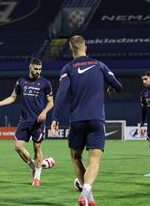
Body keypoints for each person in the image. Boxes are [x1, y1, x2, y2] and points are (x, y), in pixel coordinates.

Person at [50, 35, 123, 206]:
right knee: (94, 160)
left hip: (77, 120)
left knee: (76, 157)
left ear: (70, 50)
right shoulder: (99, 65)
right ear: (86, 47)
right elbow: (118, 86)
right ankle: (86, 193)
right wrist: (111, 88)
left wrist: (54, 117)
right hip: (97, 120)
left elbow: (61, 94)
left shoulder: (68, 68)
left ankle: (87, 196)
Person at [0, 58, 54, 187]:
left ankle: (37, 177)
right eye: (36, 69)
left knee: (37, 148)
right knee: (17, 147)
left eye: (40, 69)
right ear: (30, 67)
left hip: (38, 121)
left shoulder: (45, 83)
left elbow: (51, 102)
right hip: (24, 120)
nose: (38, 72)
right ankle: (33, 167)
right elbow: (12, 97)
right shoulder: (21, 81)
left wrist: (45, 112)